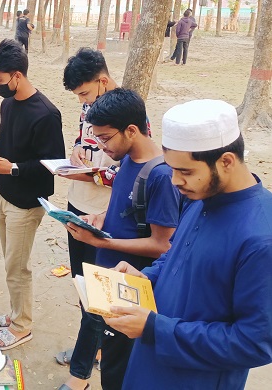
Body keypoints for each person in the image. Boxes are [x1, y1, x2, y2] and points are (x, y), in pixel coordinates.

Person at [107, 100, 272, 389]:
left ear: (226, 161)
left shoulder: (261, 238)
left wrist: (156, 330)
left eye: (185, 171)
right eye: (172, 169)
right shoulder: (201, 196)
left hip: (195, 378)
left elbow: (255, 342)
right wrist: (147, 276)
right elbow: (178, 256)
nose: (175, 181)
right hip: (150, 360)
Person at [65, 88, 180, 390]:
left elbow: (162, 245)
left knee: (120, 371)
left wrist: (102, 244)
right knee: (111, 363)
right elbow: (125, 207)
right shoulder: (127, 157)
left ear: (131, 130)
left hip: (134, 290)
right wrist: (100, 218)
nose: (101, 146)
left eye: (104, 138)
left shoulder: (161, 176)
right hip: (110, 279)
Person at [0, 39, 65, 350]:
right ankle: (15, 314)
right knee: (9, 261)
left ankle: (22, 325)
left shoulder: (46, 114)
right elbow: (13, 144)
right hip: (4, 192)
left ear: (16, 75)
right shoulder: (8, 103)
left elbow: (51, 165)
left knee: (17, 266)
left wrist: (11, 169)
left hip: (26, 203)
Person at [56, 47, 121, 389]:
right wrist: (76, 156)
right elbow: (83, 146)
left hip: (104, 213)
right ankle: (93, 348)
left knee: (98, 293)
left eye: (83, 92)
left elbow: (132, 171)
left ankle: (79, 374)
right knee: (82, 285)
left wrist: (94, 176)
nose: (82, 100)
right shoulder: (87, 108)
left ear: (103, 80)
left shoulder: (128, 111)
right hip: (77, 203)